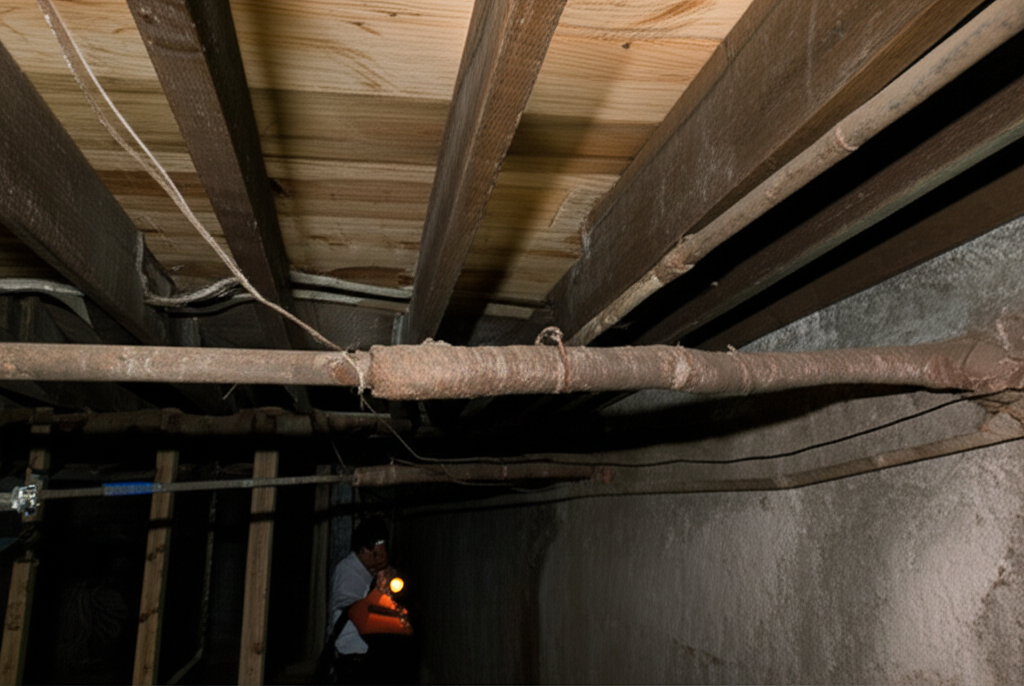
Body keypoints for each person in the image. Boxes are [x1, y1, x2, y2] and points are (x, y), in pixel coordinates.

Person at [327, 516, 391, 683]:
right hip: (352, 659)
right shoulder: (348, 571)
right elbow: (353, 608)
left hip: (366, 656)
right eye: (377, 552)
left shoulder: (368, 572)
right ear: (364, 550)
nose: (382, 556)